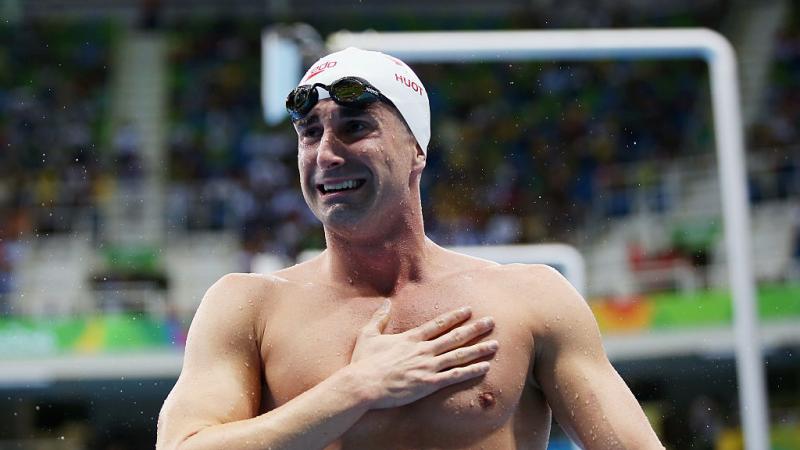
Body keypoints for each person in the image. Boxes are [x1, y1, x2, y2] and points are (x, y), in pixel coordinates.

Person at [157, 47, 664, 449]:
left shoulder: (531, 301)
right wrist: (354, 389)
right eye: (310, 134)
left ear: (416, 149)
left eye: (355, 127)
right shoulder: (248, 306)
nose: (327, 154)